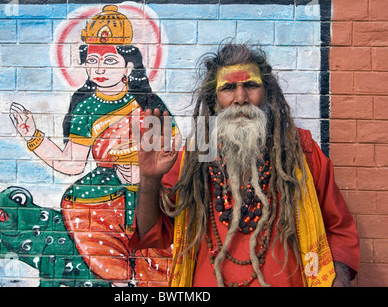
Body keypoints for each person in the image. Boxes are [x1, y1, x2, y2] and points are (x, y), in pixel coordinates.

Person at [130, 43, 359, 287]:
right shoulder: (198, 154)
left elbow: (339, 232)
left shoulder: (299, 151)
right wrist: (149, 180)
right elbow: (151, 233)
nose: (241, 99)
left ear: (267, 93)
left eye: (250, 85)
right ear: (214, 99)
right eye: (228, 88)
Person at [10, 5, 177, 285]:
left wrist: (146, 173)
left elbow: (173, 150)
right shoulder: (85, 107)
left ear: (128, 65)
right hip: (106, 187)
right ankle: (118, 280)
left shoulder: (148, 103)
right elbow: (72, 163)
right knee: (77, 204)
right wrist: (33, 136)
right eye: (93, 60)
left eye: (110, 61)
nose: (99, 69)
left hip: (152, 182)